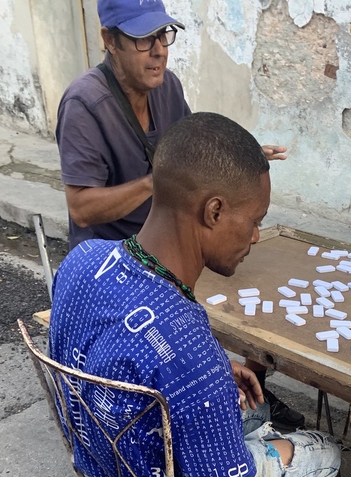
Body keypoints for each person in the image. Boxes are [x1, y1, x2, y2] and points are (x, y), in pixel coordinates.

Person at [49, 111, 351, 477]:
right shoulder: (190, 354)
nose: (256, 236)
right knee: (324, 449)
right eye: (255, 221)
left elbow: (118, 344)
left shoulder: (83, 260)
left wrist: (215, 371)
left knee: (257, 410)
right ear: (214, 211)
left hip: (105, 470)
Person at [56, 0, 302, 430]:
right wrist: (159, 180)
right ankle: (212, 401)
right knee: (190, 326)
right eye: (142, 39)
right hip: (116, 255)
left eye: (163, 35)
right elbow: (81, 207)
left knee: (247, 275)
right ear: (109, 40)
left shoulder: (167, 86)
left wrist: (235, 167)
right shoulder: (85, 103)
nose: (158, 50)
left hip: (164, 239)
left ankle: (246, 386)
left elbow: (193, 149)